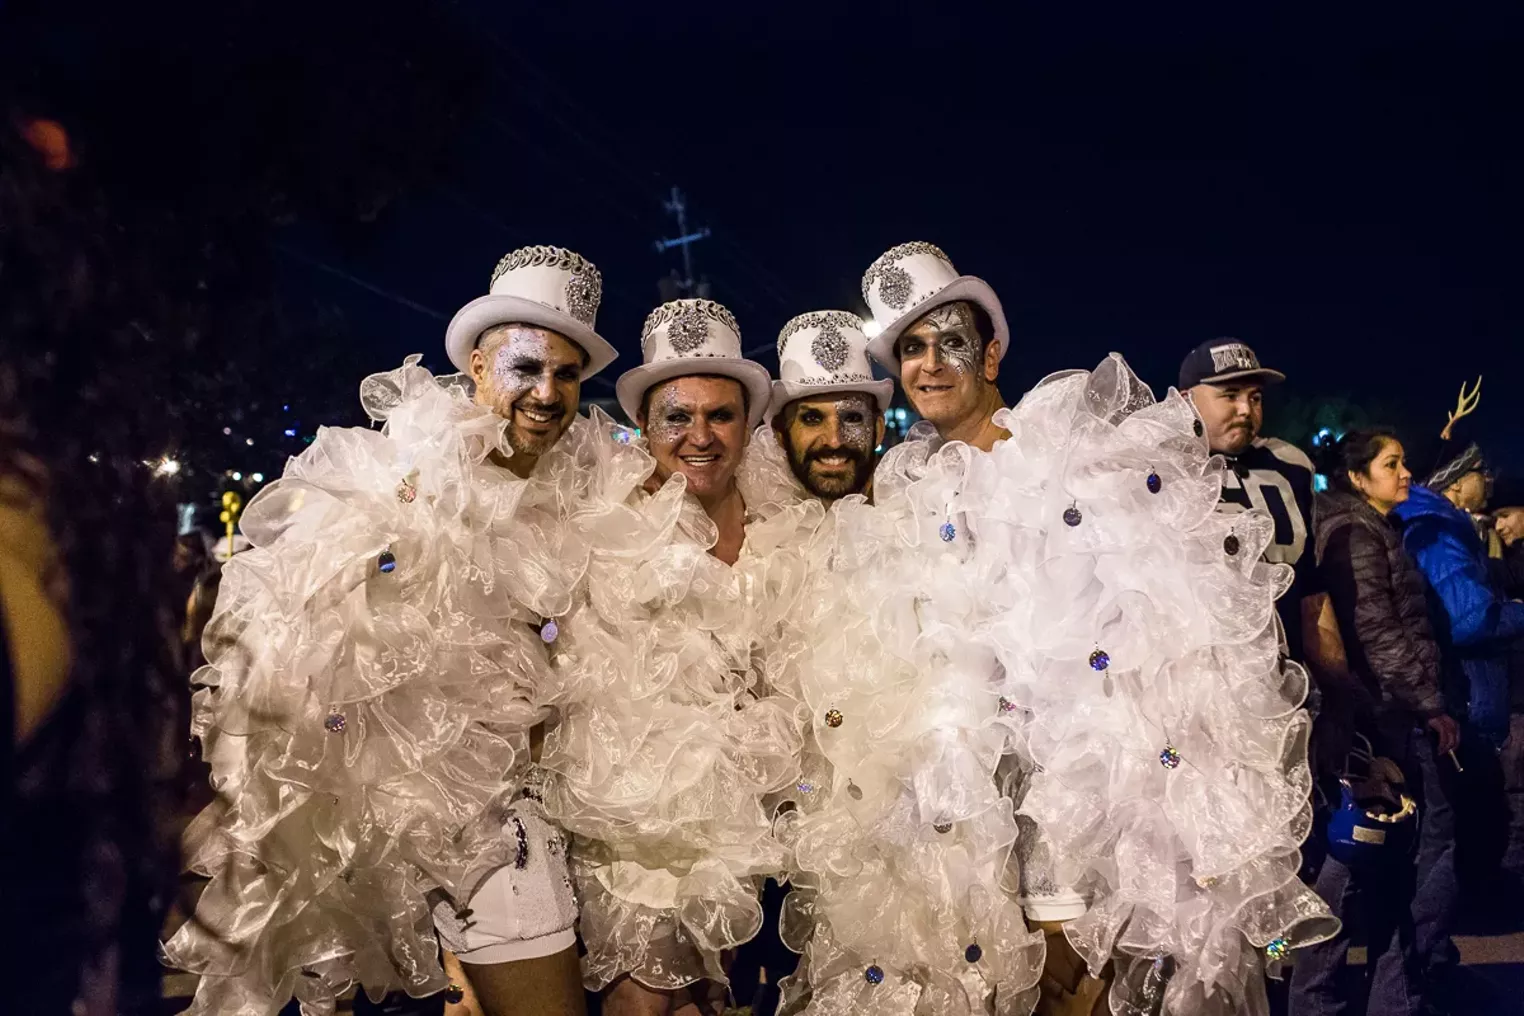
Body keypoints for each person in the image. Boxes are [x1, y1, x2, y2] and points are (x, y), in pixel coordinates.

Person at [779, 242, 1333, 1016]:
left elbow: (1144, 654)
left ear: (991, 353)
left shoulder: (1072, 463)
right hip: (962, 825)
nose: (929, 366)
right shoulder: (913, 490)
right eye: (911, 349)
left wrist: (1089, 859)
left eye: (950, 343)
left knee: (1073, 993)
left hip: (1074, 820)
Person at [164, 246, 621, 1016]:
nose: (548, 393)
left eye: (568, 374)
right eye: (527, 367)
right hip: (386, 832)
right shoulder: (396, 475)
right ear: (479, 367)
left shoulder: (571, 489)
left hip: (507, 816)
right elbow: (285, 632)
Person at [539, 298, 816, 1016]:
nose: (700, 436)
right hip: (636, 838)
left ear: (748, 424)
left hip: (749, 831)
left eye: (721, 416)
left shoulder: (783, 518)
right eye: (677, 417)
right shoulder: (599, 520)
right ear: (642, 424)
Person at [1290, 427, 1458, 1016]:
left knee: (1379, 865)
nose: (1405, 473)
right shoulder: (1356, 533)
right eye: (1392, 464)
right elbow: (1378, 633)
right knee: (1364, 860)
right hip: (1380, 718)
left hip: (1384, 713)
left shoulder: (1374, 526)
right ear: (1358, 477)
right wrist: (1430, 705)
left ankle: (1388, 997)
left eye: (1404, 461)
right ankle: (1335, 999)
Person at [1179, 339, 1319, 663]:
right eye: (1230, 395)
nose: (1245, 409)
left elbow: (1310, 586)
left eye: (1254, 398)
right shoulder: (1161, 468)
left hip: (1286, 668)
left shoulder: (1291, 464)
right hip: (1198, 675)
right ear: (1187, 400)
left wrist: (1333, 673)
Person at [768, 310, 892, 503]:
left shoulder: (918, 514)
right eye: (812, 419)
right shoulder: (757, 519)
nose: (835, 441)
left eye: (852, 418)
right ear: (781, 434)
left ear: (878, 429)